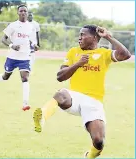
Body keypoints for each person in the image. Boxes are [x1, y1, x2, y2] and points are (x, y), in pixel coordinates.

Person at [32, 25, 131, 158]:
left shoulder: (103, 53)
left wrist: (108, 37)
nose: (79, 38)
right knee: (61, 94)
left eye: (83, 35)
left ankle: (89, 156)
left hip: (94, 102)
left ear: (94, 38)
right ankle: (42, 117)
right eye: (79, 35)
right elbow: (60, 76)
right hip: (75, 97)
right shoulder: (74, 52)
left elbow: (125, 54)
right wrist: (78, 64)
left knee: (99, 141)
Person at [0, 5, 38, 111]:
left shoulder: (31, 27)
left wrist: (34, 45)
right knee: (6, 76)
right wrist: (12, 45)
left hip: (25, 57)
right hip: (12, 57)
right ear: (18, 13)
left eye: (25, 11)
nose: (23, 13)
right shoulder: (13, 26)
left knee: (25, 78)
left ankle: (25, 103)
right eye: (21, 11)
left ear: (27, 13)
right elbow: (3, 39)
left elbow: (32, 40)